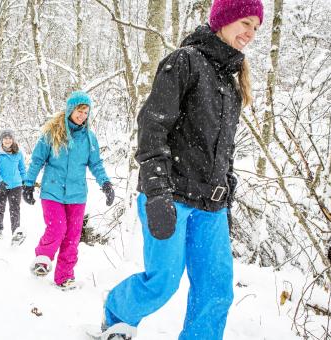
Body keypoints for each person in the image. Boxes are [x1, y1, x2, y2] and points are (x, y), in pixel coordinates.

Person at [98, 0, 263, 339]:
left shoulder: (232, 84)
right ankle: (117, 313)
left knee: (216, 289)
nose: (250, 33)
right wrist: (157, 193)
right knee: (163, 281)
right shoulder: (185, 62)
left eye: (256, 28)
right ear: (224, 18)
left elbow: (223, 149)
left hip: (211, 206)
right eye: (245, 22)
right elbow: (152, 128)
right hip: (171, 195)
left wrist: (226, 192)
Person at [22, 91, 115, 291]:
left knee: (72, 236)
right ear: (70, 110)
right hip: (52, 191)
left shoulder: (89, 138)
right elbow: (38, 159)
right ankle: (43, 259)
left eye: (85, 112)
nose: (82, 116)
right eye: (79, 111)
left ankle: (64, 277)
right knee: (57, 228)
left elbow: (96, 164)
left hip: (77, 194)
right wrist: (28, 183)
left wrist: (106, 184)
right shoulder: (53, 133)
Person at [0, 129, 26, 245]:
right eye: (5, 138)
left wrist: (25, 181)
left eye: (9, 138)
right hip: (0, 186)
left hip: (16, 186)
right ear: (1, 140)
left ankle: (16, 232)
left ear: (13, 139)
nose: (7, 140)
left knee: (15, 209)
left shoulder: (18, 153)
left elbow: (22, 169)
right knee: (0, 208)